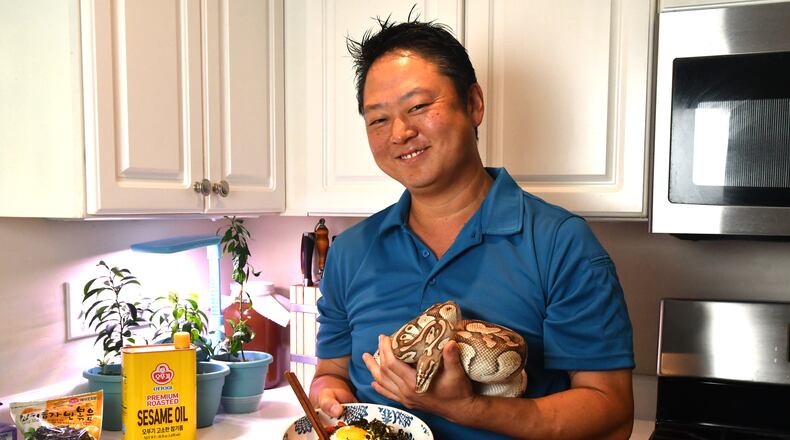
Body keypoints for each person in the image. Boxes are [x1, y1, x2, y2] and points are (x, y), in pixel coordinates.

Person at [309, 14, 635, 440]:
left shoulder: (560, 243)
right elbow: (330, 372)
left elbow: (612, 414)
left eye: (419, 107)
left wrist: (470, 409)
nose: (401, 132)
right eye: (378, 119)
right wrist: (330, 397)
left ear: (474, 104)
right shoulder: (349, 252)